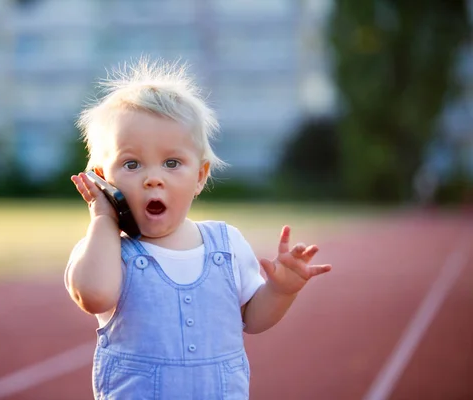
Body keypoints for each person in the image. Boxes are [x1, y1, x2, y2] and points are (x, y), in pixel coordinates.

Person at [65, 58, 332, 399]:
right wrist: (103, 217)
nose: (153, 178)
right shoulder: (104, 250)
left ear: (200, 176)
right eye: (131, 164)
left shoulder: (226, 243)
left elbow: (253, 319)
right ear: (103, 180)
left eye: (172, 163)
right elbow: (94, 295)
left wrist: (281, 291)